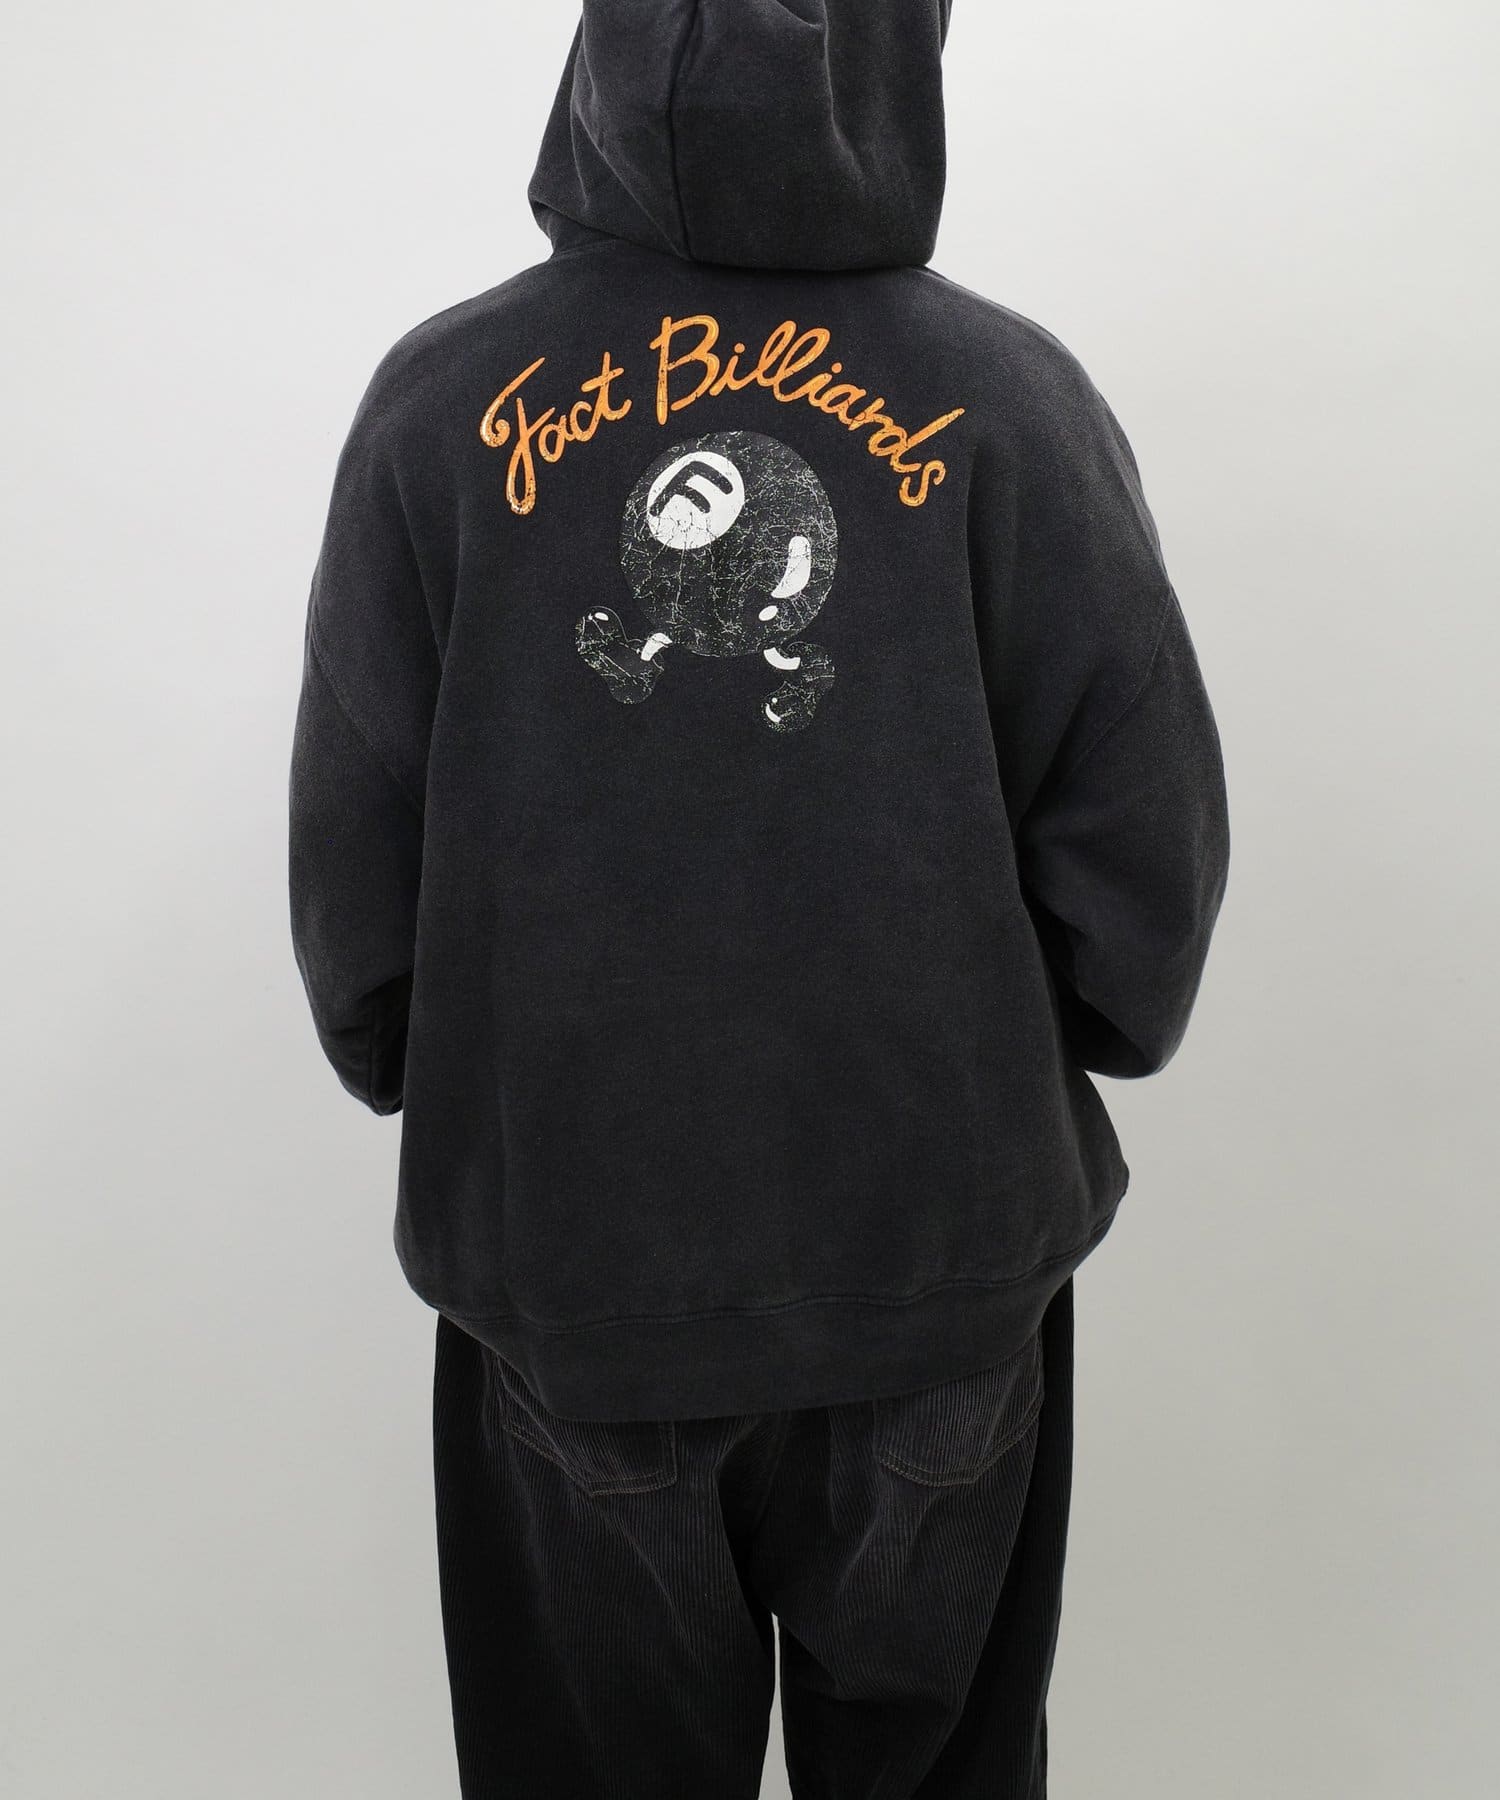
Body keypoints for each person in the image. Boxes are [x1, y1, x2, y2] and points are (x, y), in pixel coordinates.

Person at [289, 3, 1230, 1793]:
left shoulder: (439, 403)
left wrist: (428, 1063)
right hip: (940, 1265)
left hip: (576, 1266)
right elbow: (1146, 854)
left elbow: (358, 861)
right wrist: (1061, 1035)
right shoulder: (1016, 399)